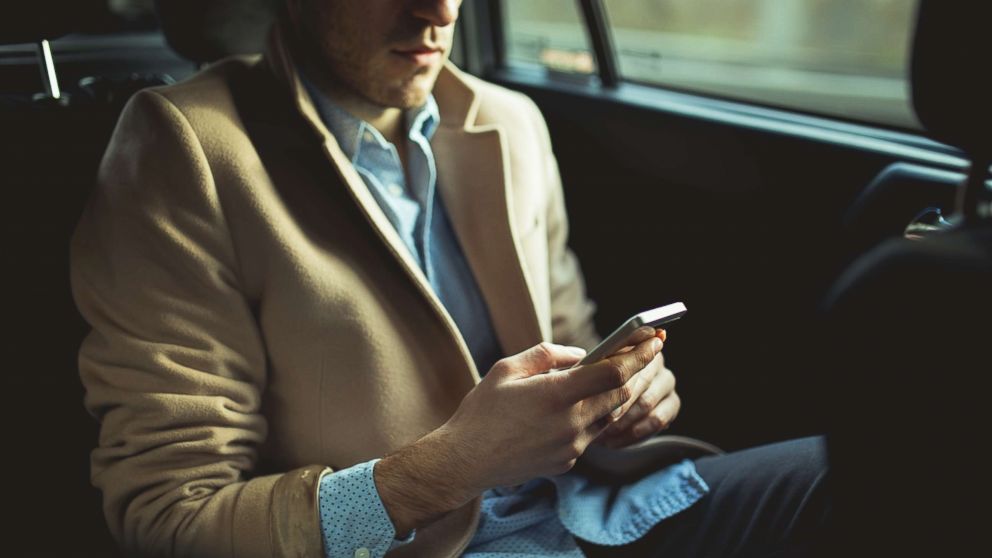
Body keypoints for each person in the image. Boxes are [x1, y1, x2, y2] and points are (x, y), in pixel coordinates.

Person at [69, 1, 828, 556]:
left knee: (864, 470)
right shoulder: (184, 149)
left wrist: (619, 398)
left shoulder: (511, 121)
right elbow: (171, 515)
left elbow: (569, 341)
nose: (436, 11)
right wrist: (450, 469)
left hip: (599, 508)